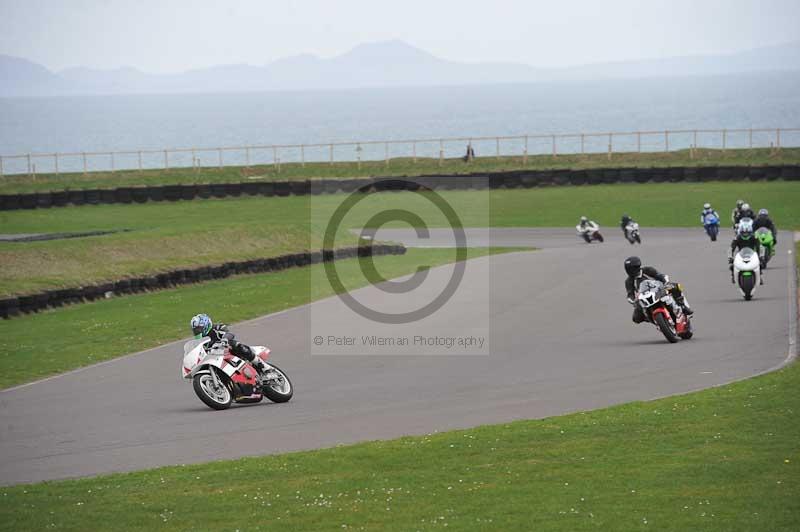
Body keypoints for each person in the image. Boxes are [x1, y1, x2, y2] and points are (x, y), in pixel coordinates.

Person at [624, 256, 693, 324]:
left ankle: (684, 306)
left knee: (676, 286)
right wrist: (634, 301)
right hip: (645, 298)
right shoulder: (628, 281)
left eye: (631, 269)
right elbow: (630, 295)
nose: (630, 271)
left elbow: (660, 276)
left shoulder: (647, 270)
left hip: (658, 290)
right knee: (636, 318)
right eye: (628, 269)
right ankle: (653, 319)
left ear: (637, 267)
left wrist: (666, 282)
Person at [190, 313, 267, 373]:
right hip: (217, 358)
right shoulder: (201, 342)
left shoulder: (217, 328)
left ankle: (264, 367)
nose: (197, 332)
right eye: (195, 330)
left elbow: (229, 334)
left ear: (205, 325)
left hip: (229, 350)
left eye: (199, 329)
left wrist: (224, 340)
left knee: (235, 345)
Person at [728, 218, 764, 284]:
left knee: (760, 264)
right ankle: (733, 276)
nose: (745, 234)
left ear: (750, 232)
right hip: (740, 254)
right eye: (744, 233)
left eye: (747, 233)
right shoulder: (737, 237)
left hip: (752, 254)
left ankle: (759, 277)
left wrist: (761, 256)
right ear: (741, 232)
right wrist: (730, 257)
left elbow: (760, 247)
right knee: (732, 265)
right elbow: (731, 247)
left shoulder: (754, 237)